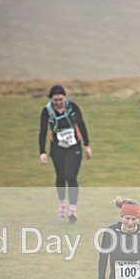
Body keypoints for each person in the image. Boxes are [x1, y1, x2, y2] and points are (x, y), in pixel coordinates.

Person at [38, 84, 92, 222]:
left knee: (71, 176)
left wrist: (87, 145)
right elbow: (43, 132)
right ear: (51, 100)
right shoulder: (47, 111)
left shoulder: (73, 108)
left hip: (74, 147)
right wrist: (42, 152)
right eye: (55, 100)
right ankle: (62, 203)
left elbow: (81, 124)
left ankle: (73, 209)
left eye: (60, 99)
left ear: (65, 98)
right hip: (57, 148)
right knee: (60, 176)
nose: (58, 102)